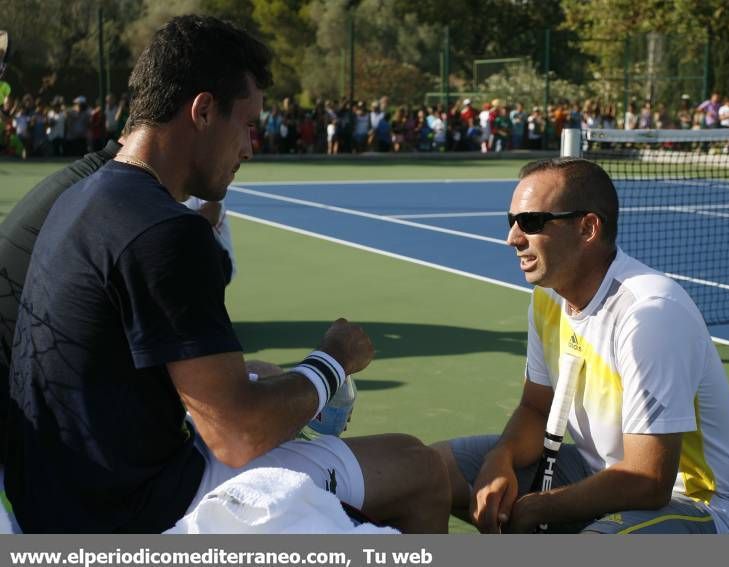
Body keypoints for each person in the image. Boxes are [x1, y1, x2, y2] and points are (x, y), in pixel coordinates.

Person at [4, 15, 449, 534]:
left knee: (268, 381)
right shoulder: (165, 231)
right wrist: (332, 363)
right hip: (133, 510)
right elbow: (236, 434)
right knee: (421, 469)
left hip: (50, 496)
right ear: (203, 110)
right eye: (248, 124)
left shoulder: (81, 196)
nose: (249, 148)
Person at [433, 158, 729, 534]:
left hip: (693, 505)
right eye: (512, 221)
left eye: (531, 222)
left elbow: (649, 480)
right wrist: (499, 458)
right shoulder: (548, 298)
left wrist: (540, 507)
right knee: (426, 470)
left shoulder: (649, 315)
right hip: (594, 471)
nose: (513, 238)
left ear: (587, 228)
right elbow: (536, 407)